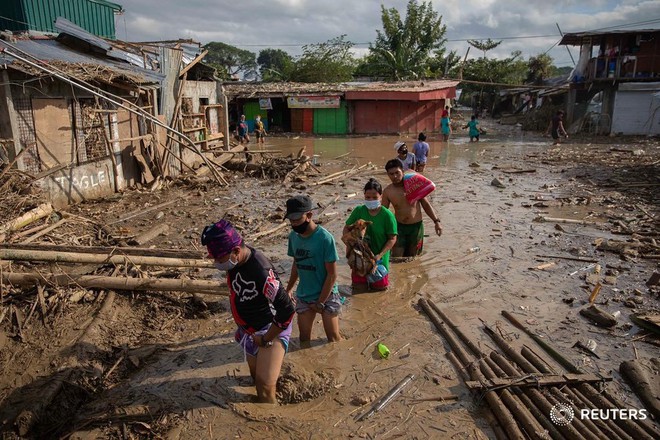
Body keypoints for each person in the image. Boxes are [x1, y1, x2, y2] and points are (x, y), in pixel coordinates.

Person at [201, 219, 294, 404]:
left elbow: (287, 309)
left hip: (270, 329)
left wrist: (266, 338)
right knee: (254, 377)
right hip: (249, 330)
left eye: (220, 260)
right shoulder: (237, 260)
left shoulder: (261, 271)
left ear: (236, 251)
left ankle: (269, 423)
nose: (217, 264)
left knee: (265, 388)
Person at [284, 195, 341, 349]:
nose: (294, 224)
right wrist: (289, 289)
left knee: (334, 339)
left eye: (297, 219)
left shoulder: (325, 239)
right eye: (291, 220)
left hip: (327, 295)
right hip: (304, 295)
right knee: (304, 340)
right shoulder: (293, 237)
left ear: (309, 215)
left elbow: (332, 274)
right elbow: (296, 264)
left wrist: (321, 302)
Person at [342, 178, 397, 292]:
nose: (371, 200)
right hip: (359, 259)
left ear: (381, 196)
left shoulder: (387, 215)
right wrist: (349, 242)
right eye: (367, 197)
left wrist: (380, 255)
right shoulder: (358, 210)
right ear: (364, 196)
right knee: (358, 291)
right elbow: (347, 228)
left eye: (374, 197)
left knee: (380, 291)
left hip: (378, 259)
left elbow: (392, 239)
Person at [382, 159, 442, 258]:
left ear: (402, 170)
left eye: (397, 172)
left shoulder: (412, 185)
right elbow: (384, 212)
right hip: (399, 228)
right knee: (396, 257)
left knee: (413, 257)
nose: (395, 176)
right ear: (387, 175)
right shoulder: (388, 191)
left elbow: (426, 205)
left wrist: (436, 222)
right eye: (391, 174)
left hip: (416, 228)